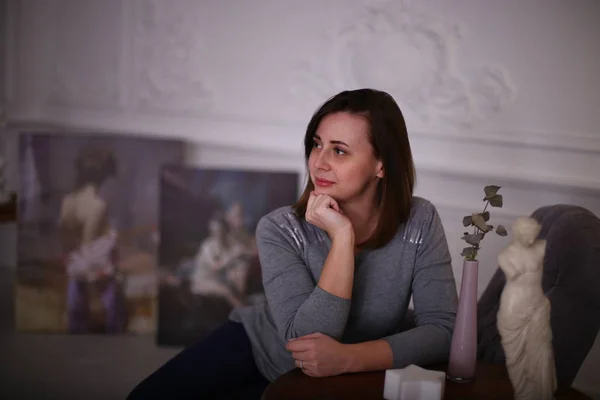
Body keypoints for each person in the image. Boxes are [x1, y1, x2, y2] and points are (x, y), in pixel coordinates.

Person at [126, 88, 458, 400]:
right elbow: (307, 340)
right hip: (256, 348)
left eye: (339, 150)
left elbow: (443, 331)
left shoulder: (420, 220)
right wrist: (342, 239)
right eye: (317, 144)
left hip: (346, 373)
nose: (320, 162)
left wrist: (348, 358)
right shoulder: (279, 228)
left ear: (381, 164)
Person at [58, 145, 126, 333]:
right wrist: (94, 296)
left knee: (76, 328)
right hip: (97, 280)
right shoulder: (97, 206)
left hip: (75, 276)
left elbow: (67, 245)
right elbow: (88, 254)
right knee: (112, 330)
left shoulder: (68, 201)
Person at [497, 217, 556, 400]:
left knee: (542, 353)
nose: (531, 241)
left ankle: (542, 394)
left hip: (537, 307)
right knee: (515, 359)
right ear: (517, 234)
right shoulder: (506, 256)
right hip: (514, 310)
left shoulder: (540, 247)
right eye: (527, 237)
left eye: (534, 236)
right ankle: (523, 394)